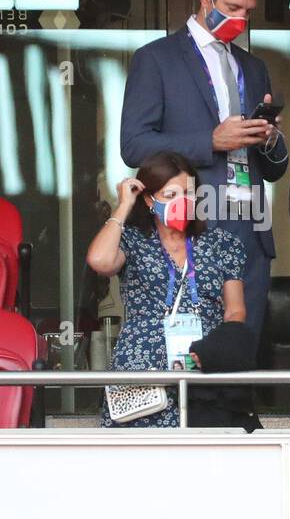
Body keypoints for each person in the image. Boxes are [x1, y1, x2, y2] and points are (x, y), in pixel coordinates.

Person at [120, 0, 288, 341]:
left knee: (241, 346)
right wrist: (210, 141)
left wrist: (271, 138)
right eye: (233, 8)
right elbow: (134, 145)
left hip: (250, 222)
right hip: (192, 221)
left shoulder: (254, 67)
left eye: (248, 12)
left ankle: (236, 404)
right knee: (189, 349)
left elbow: (275, 167)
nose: (241, 20)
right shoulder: (157, 59)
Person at [87, 151, 246, 428]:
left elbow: (235, 310)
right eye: (170, 195)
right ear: (150, 200)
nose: (182, 202)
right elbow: (100, 261)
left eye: (188, 193)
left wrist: (213, 350)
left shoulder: (221, 243)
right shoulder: (133, 240)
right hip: (141, 373)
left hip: (201, 370)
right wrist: (124, 206)